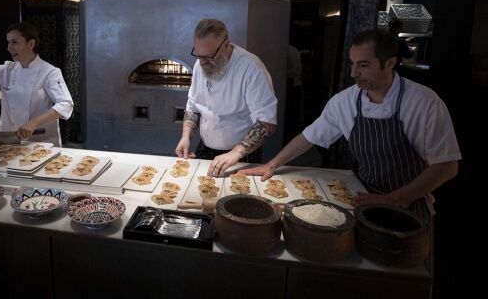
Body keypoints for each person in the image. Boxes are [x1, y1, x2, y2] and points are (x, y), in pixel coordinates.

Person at [243, 28, 460, 220]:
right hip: (363, 196)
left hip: (410, 204)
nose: (353, 73)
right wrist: (272, 164)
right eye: (352, 63)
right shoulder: (345, 101)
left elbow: (447, 166)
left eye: (363, 65)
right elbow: (309, 137)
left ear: (390, 63)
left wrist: (394, 199)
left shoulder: (424, 102)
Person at [175, 19, 278, 177]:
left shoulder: (251, 68)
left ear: (225, 45)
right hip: (206, 147)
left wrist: (235, 153)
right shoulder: (200, 64)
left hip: (241, 154)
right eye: (198, 55)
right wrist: (185, 136)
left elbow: (267, 122)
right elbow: (193, 106)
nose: (203, 62)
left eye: (209, 56)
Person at [0, 22, 73, 146]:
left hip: (40, 141)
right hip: (7, 140)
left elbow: (66, 104)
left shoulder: (49, 72)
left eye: (14, 42)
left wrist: (33, 123)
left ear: (31, 44)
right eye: (8, 42)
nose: (9, 48)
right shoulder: (6, 70)